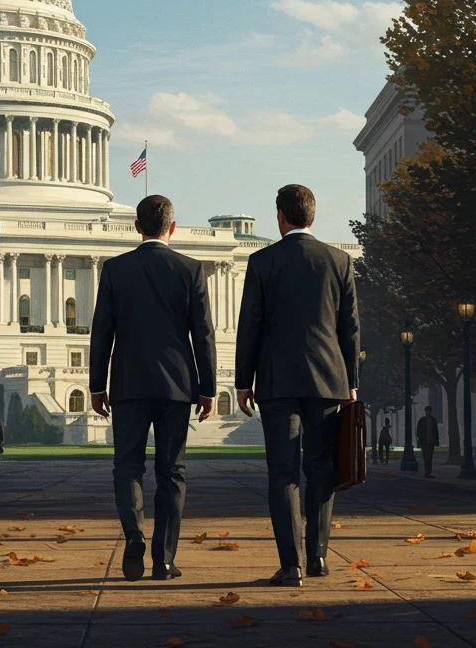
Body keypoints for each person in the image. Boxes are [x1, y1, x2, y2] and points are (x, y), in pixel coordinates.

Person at [235, 184, 359, 588]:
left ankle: (291, 565)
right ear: (312, 216)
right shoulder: (339, 260)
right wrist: (351, 384)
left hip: (277, 380)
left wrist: (242, 381)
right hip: (327, 380)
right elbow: (349, 330)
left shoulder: (262, 261)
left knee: (283, 473)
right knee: (320, 470)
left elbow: (249, 326)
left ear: (280, 217)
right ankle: (319, 556)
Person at [90, 194, 216, 582]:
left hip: (127, 383)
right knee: (172, 472)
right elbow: (204, 335)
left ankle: (133, 535)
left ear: (137, 227)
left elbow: (102, 333)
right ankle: (163, 560)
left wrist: (97, 385)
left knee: (127, 466)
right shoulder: (191, 269)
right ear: (172, 228)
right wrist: (207, 388)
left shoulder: (115, 269)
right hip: (176, 386)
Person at [416, 406, 440, 479]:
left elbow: (436, 431)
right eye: (427, 411)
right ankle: (427, 472)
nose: (428, 412)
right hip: (425, 442)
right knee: (427, 457)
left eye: (429, 411)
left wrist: (437, 440)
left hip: (430, 442)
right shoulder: (424, 420)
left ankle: (428, 472)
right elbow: (418, 432)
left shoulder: (432, 420)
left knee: (429, 458)